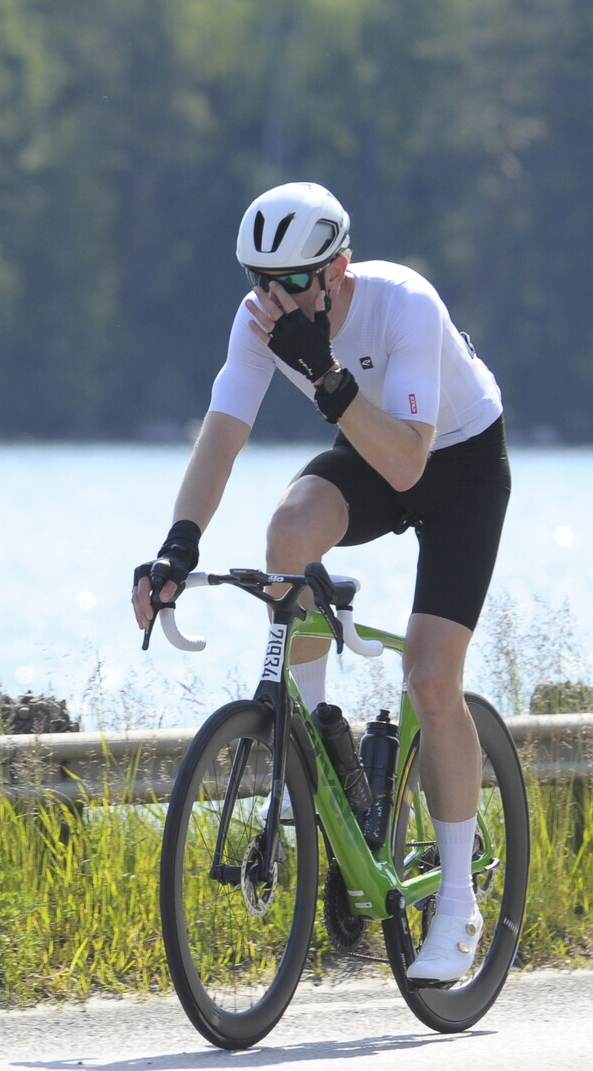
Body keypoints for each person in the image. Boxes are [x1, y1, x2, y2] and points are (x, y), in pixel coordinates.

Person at [131, 181, 511, 983]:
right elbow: (222, 436)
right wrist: (177, 546)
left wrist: (327, 373)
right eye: (259, 280)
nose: (276, 299)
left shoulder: (404, 303)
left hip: (456, 467)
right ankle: (310, 752)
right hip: (370, 449)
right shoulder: (262, 321)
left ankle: (458, 903)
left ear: (339, 268)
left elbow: (408, 462)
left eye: (296, 280)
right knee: (290, 527)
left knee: (430, 674)